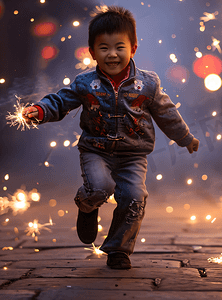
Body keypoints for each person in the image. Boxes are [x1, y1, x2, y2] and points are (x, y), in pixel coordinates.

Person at [22, 6, 199, 269]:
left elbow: (166, 113)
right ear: (92, 52)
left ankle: (119, 249)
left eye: (119, 47)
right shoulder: (85, 83)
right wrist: (40, 110)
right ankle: (86, 206)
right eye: (103, 48)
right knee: (100, 188)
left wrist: (185, 137)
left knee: (134, 197)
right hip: (96, 150)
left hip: (133, 155)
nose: (112, 54)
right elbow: (61, 101)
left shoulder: (148, 84)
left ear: (133, 48)